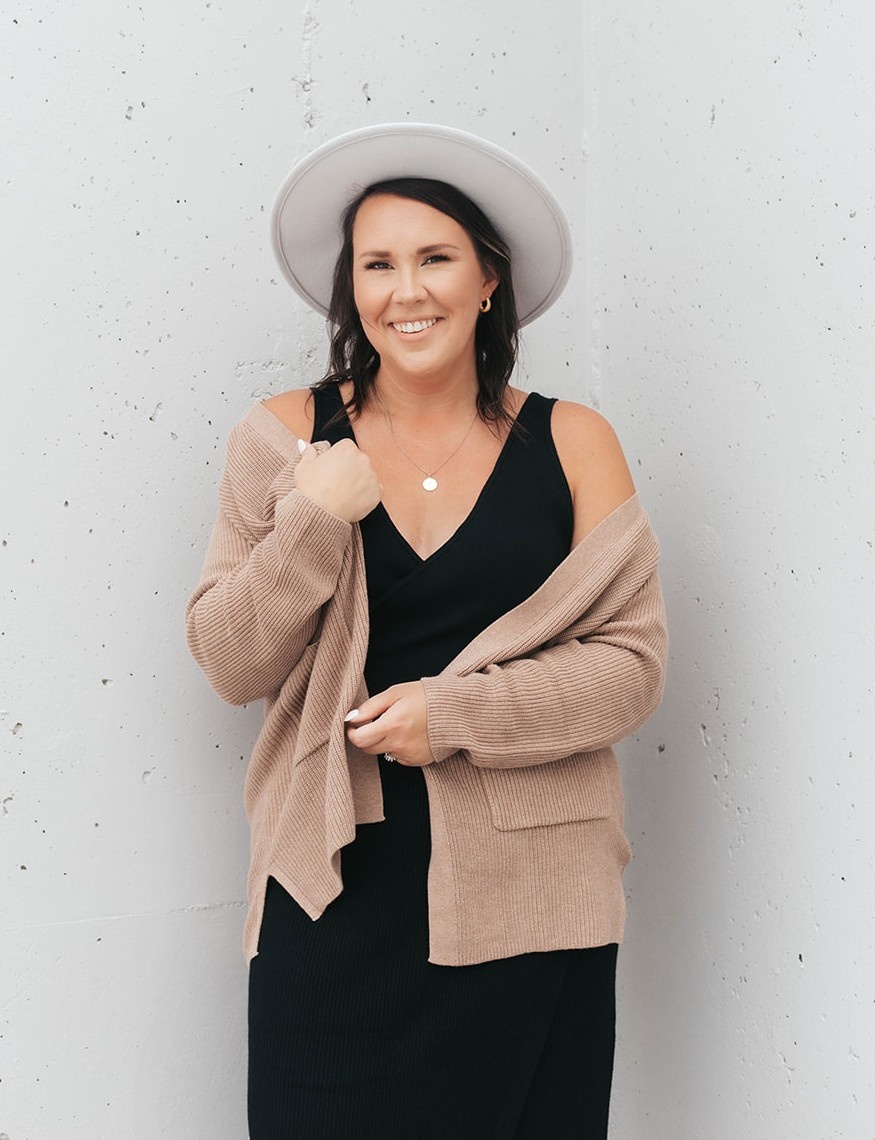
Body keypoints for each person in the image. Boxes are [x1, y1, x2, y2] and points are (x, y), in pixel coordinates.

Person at [186, 123, 667, 1139]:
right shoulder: (282, 437)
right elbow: (229, 660)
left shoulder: (573, 442)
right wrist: (312, 520)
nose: (406, 291)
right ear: (350, 289)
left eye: (435, 258)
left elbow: (630, 668)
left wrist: (453, 717)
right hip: (331, 887)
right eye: (377, 264)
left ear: (487, 280)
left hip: (533, 901)